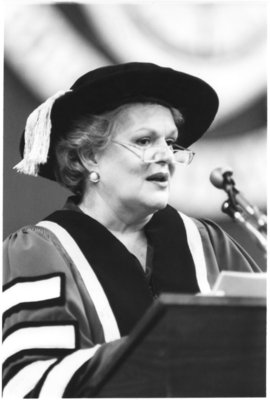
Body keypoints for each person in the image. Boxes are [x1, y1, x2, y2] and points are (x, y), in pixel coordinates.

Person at [2, 62, 261, 398]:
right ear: (89, 156)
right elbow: (31, 382)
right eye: (143, 140)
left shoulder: (208, 244)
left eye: (171, 142)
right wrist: (161, 353)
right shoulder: (38, 254)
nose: (165, 156)